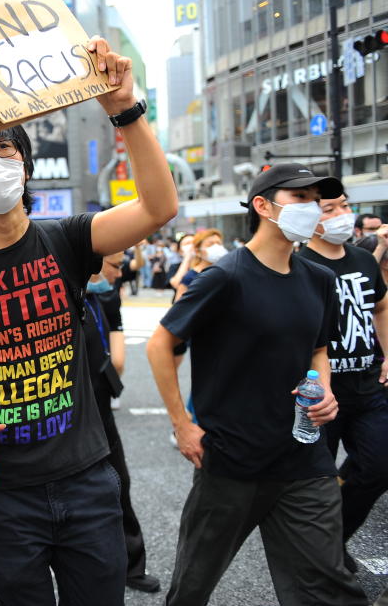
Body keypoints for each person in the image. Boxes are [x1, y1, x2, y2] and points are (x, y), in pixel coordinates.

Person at [0, 36, 178, 605]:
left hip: (86, 477)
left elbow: (159, 208)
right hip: (0, 489)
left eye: (3, 149)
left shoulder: (68, 239)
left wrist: (124, 110)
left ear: (26, 166)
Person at [145, 163, 367, 606]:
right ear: (263, 206)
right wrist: (182, 425)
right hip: (231, 462)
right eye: (299, 198)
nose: (313, 208)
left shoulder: (319, 279)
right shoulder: (225, 277)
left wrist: (324, 389)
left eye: (315, 199)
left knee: (329, 584)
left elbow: (318, 350)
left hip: (304, 459)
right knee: (192, 587)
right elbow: (160, 343)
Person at [299, 193, 388, 570]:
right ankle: (316, 557)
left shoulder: (364, 259)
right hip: (320, 396)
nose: (342, 216)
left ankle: (333, 542)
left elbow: (381, 307)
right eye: (329, 209)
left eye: (345, 206)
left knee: (379, 466)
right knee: (313, 484)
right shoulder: (298, 264)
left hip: (368, 387)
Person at [84, 254, 161, 593]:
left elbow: (117, 352)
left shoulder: (107, 296)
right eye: (114, 266)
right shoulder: (63, 293)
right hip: (68, 409)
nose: (119, 273)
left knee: (119, 482)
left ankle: (131, 564)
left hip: (101, 403)